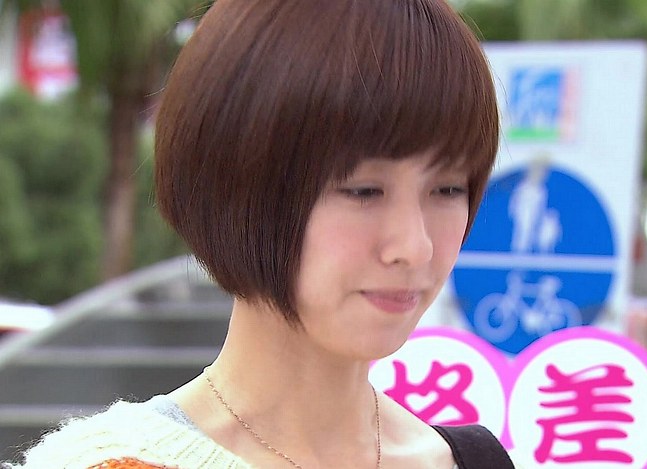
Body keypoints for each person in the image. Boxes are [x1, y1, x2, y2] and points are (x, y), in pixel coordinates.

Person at [8, 0, 515, 467]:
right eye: (364, 191)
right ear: (239, 184)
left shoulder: (470, 462)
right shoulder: (110, 463)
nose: (415, 246)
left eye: (448, 189)